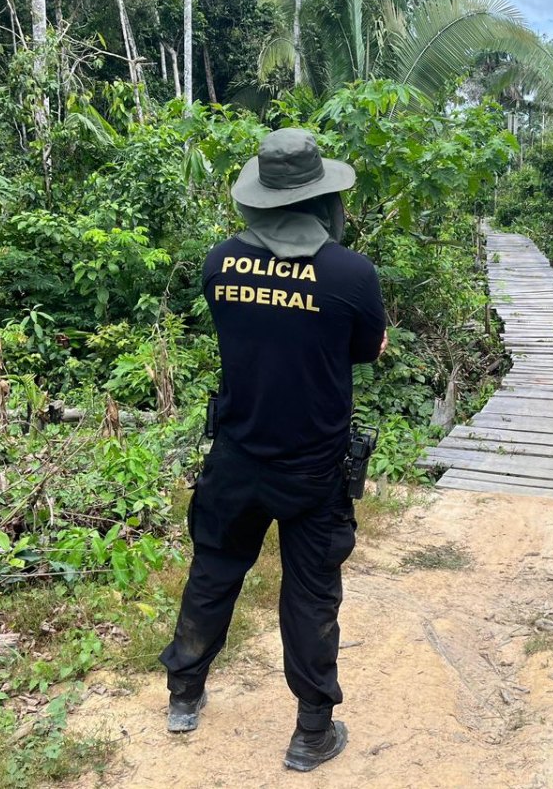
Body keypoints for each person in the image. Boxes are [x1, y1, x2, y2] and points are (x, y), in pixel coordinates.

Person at [159, 128, 387, 773]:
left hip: (235, 454)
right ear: (323, 199)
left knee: (213, 571)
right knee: (311, 594)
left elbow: (258, 333)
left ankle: (184, 694)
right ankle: (311, 733)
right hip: (314, 467)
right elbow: (365, 348)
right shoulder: (350, 273)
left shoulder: (219, 263)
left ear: (259, 198)